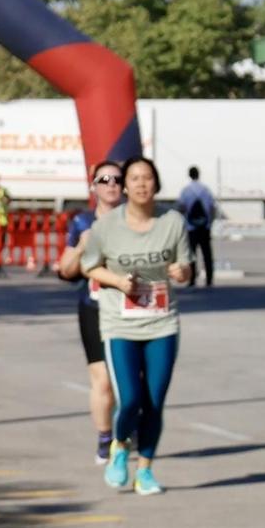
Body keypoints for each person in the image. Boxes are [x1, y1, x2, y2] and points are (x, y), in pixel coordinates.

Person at [81, 157, 193, 497]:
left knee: (154, 402)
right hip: (120, 324)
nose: (141, 184)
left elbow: (185, 267)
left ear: (156, 185)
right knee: (129, 400)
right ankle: (118, 447)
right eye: (134, 178)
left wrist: (180, 273)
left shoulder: (173, 222)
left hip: (162, 323)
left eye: (148, 178)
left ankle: (144, 470)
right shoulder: (107, 227)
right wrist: (117, 280)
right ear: (125, 186)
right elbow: (90, 267)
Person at [56, 161, 124, 464]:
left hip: (131, 309)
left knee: (130, 380)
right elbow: (65, 270)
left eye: (117, 180)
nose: (111, 184)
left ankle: (126, 428)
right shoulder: (82, 223)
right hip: (93, 306)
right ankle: (105, 436)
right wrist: (82, 248)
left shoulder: (137, 221)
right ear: (93, 187)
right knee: (102, 379)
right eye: (104, 179)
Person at [177, 166, 216, 286]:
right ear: (199, 174)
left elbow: (181, 207)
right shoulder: (206, 190)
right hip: (205, 227)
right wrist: (210, 222)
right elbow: (212, 207)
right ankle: (209, 279)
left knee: (192, 254)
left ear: (189, 175)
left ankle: (192, 278)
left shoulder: (186, 190)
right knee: (207, 254)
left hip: (191, 227)